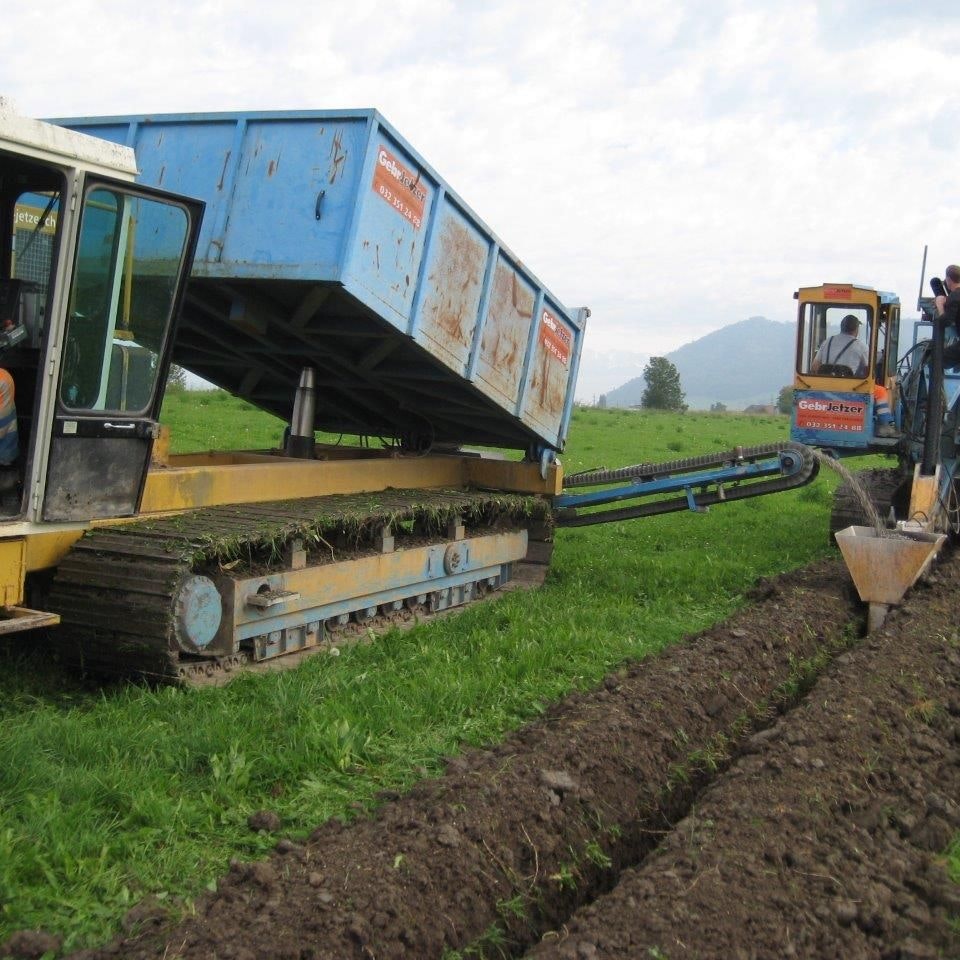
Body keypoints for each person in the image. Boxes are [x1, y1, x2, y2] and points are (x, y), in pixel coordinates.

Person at [936, 264, 960, 369]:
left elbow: (945, 322)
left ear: (948, 279)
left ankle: (938, 385)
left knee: (938, 358)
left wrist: (940, 305)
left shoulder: (954, 297)